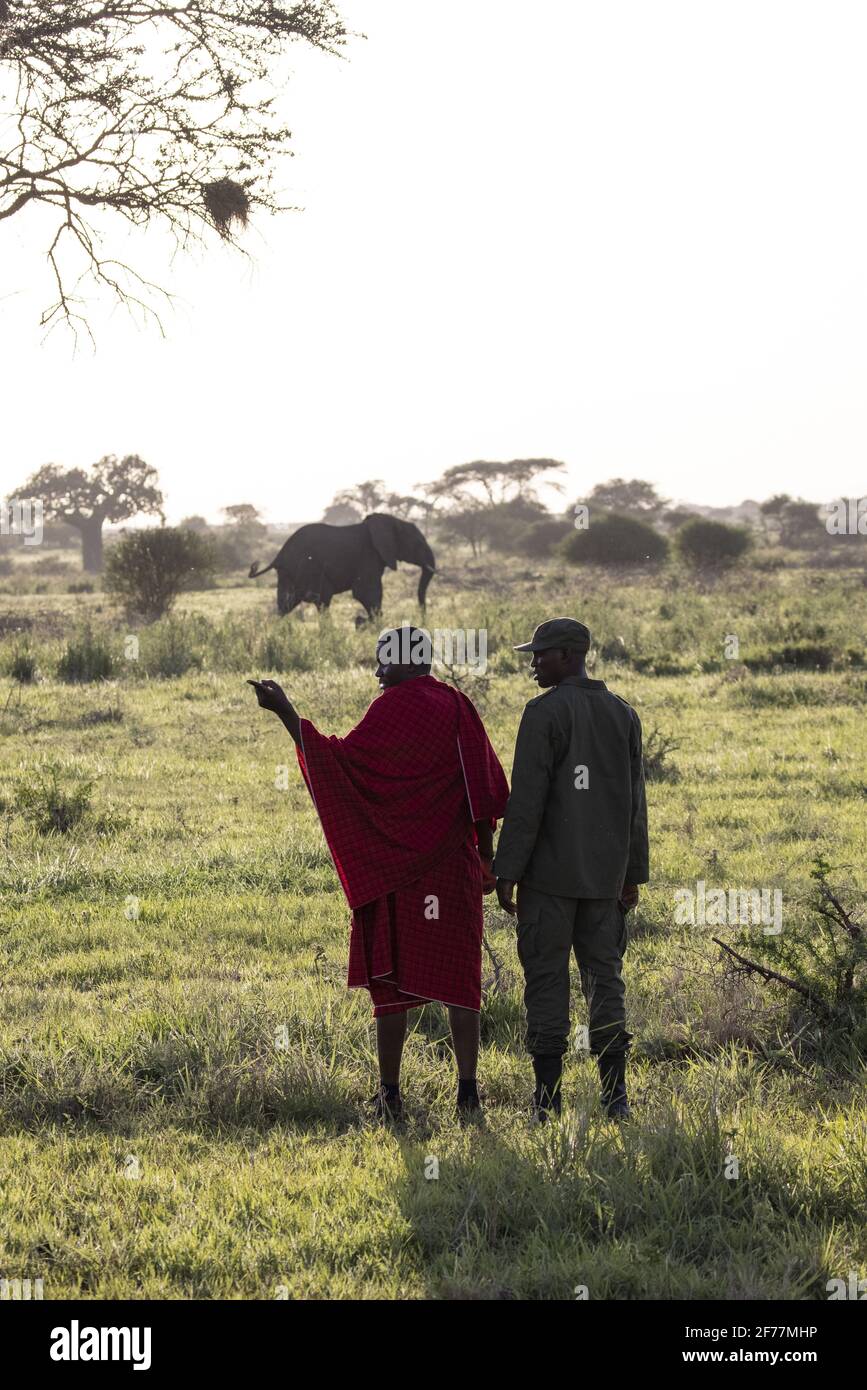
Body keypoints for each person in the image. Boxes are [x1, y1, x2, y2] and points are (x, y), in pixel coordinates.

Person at [249, 626, 508, 1121]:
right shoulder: (457, 706)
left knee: (390, 983)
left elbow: (341, 764)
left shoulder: (388, 709)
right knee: (460, 978)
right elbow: (484, 788)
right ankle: (469, 1092)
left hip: (393, 870)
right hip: (453, 864)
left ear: (400, 664)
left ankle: (390, 1094)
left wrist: (286, 713)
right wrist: (488, 858)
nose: (376, 672)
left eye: (381, 662)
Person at [493, 617, 649, 1122]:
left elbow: (527, 802)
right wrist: (633, 874)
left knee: (545, 980)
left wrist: (506, 870)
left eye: (541, 654)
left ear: (568, 656)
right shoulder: (623, 713)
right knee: (605, 981)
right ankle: (615, 1098)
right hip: (605, 880)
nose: (534, 663)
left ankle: (547, 1100)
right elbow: (636, 808)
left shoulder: (543, 713)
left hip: (548, 881)